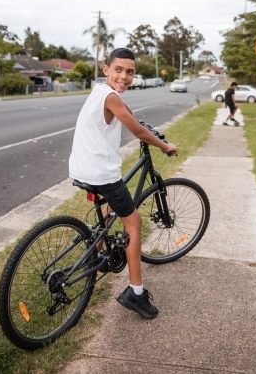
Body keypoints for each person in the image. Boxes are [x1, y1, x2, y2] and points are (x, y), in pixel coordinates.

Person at [69, 47, 178, 319]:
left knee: (112, 208)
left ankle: (94, 254)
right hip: (100, 172)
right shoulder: (111, 97)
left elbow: (126, 111)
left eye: (130, 72)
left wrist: (136, 118)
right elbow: (137, 131)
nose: (124, 76)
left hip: (82, 167)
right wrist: (164, 146)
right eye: (118, 69)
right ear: (106, 69)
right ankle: (136, 293)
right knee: (134, 222)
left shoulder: (101, 90)